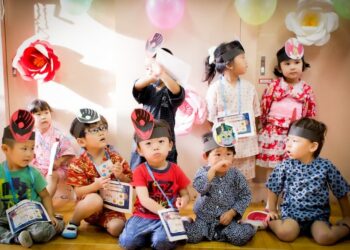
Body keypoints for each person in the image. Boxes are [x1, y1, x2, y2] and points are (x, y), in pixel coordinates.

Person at [266, 117, 350, 245]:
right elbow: (273, 187)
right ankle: (268, 222)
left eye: (294, 141)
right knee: (286, 233)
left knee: (325, 237)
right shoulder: (285, 165)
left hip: (318, 216)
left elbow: (341, 190)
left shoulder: (325, 166)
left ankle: (346, 228)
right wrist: (272, 210)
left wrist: (347, 217)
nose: (288, 144)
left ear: (313, 146)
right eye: (288, 139)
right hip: (292, 214)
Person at [119, 109, 190, 250]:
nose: (156, 147)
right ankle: (151, 235)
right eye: (148, 144)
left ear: (170, 145)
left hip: (167, 219)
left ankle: (176, 226)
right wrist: (164, 211)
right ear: (140, 150)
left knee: (161, 243)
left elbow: (185, 193)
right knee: (127, 242)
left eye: (161, 142)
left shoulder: (175, 169)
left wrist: (184, 201)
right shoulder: (140, 171)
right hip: (142, 216)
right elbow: (144, 200)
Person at [61, 108, 132, 239]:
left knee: (117, 229)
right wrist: (95, 186)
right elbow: (78, 192)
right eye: (94, 130)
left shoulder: (115, 158)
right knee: (95, 199)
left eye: (103, 128)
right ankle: (73, 222)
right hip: (90, 207)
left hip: (112, 208)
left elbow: (130, 183)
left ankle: (105, 223)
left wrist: (120, 176)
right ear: (82, 141)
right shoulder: (77, 163)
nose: (101, 132)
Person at [0, 110, 64, 248]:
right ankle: (17, 238)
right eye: (24, 149)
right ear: (6, 149)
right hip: (7, 218)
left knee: (40, 233)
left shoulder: (33, 173)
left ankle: (57, 224)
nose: (30, 154)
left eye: (31, 148)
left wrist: (51, 215)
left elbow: (45, 196)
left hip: (32, 217)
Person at [184, 132, 256, 246]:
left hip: (227, 220)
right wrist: (211, 171)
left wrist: (232, 213)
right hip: (204, 219)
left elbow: (245, 195)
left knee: (239, 237)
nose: (223, 159)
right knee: (191, 236)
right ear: (206, 157)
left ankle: (249, 225)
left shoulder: (236, 175)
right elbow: (199, 187)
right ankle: (187, 222)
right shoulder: (202, 172)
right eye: (218, 154)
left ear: (233, 156)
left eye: (228, 154)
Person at [204, 40, 261, 180]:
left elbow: (256, 114)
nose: (246, 62)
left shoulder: (249, 88)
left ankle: (243, 202)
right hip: (225, 144)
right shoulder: (215, 89)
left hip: (247, 143)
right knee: (224, 178)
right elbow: (211, 119)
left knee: (244, 181)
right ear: (229, 64)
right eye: (242, 58)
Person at [257, 38, 316, 169]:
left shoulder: (306, 89)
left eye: (296, 62)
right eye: (287, 63)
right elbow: (264, 108)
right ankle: (271, 189)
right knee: (273, 170)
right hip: (274, 133)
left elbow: (310, 114)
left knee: (293, 167)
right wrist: (264, 126)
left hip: (296, 133)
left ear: (303, 64)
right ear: (279, 67)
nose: (293, 66)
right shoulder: (274, 86)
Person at [130, 47, 185, 170]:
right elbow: (137, 86)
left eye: (152, 67)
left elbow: (177, 92)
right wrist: (154, 75)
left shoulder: (173, 88)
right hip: (144, 135)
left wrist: (162, 74)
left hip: (165, 137)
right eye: (147, 68)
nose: (150, 71)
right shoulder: (147, 87)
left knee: (168, 170)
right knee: (138, 169)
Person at [28, 99, 76, 197]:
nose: (43, 117)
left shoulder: (58, 135)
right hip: (39, 167)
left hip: (56, 168)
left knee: (51, 176)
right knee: (29, 176)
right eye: (38, 114)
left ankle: (46, 203)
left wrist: (59, 161)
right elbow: (30, 153)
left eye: (46, 113)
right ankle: (33, 203)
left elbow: (69, 152)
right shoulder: (32, 135)